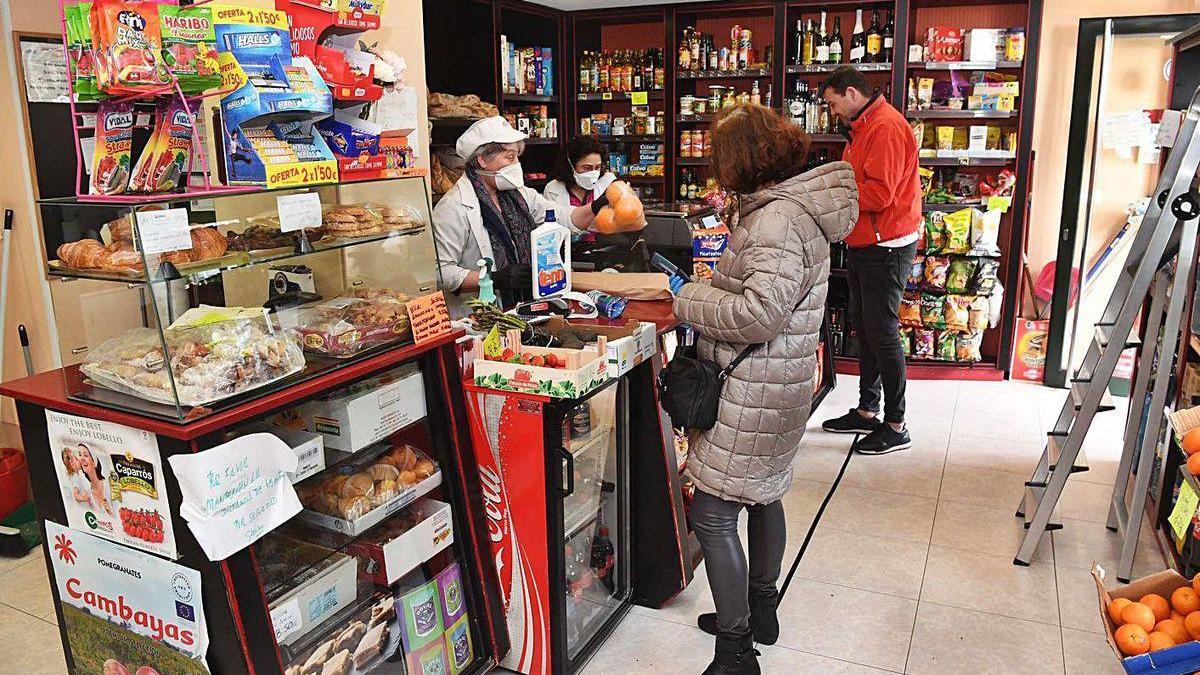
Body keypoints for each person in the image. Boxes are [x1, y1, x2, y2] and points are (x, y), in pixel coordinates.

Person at [672, 104, 857, 675]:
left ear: (743, 161)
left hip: (754, 384)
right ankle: (760, 607)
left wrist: (685, 298)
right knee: (765, 492)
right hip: (782, 378)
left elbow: (758, 314)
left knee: (713, 513)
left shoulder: (776, 219)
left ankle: (735, 651)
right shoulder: (796, 209)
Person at [819, 66, 922, 455]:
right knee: (864, 326)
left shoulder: (886, 128)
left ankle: (896, 424)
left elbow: (879, 195)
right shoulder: (862, 126)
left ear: (851, 93)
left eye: (833, 104)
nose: (833, 112)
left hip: (888, 245)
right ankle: (867, 411)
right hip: (867, 241)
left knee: (883, 331)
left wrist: (832, 192)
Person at [432, 117, 607, 316]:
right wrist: (494, 278)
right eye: (509, 156)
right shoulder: (453, 207)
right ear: (483, 160)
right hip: (479, 317)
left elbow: (563, 218)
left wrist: (597, 205)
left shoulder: (519, 194)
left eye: (516, 156)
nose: (516, 164)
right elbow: (440, 273)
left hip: (524, 307)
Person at [543, 136, 617, 242]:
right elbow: (552, 231)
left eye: (597, 167)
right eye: (587, 168)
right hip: (568, 251)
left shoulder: (608, 181)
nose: (593, 172)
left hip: (604, 249)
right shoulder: (553, 189)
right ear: (570, 166)